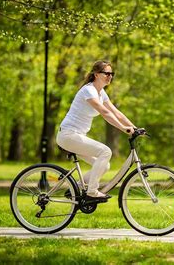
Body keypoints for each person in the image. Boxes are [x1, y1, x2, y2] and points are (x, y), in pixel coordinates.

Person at [56, 60, 136, 201]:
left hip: (76, 136)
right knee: (105, 152)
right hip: (68, 135)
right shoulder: (89, 90)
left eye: (112, 74)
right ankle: (92, 191)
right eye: (106, 73)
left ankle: (76, 187)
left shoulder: (101, 93)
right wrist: (123, 128)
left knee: (104, 166)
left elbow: (116, 112)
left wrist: (134, 127)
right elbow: (104, 112)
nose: (110, 76)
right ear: (96, 74)